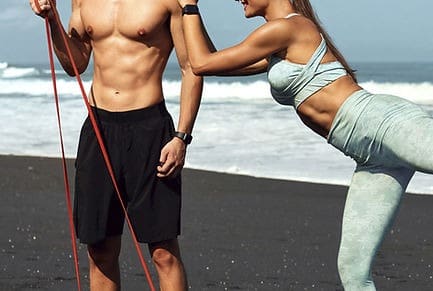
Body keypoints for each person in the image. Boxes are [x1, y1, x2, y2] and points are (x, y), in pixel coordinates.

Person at [176, 0, 433, 290]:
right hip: (370, 158)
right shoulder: (276, 41)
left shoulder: (287, 28)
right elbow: (208, 63)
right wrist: (188, 15)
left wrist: (189, 7)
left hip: (384, 123)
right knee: (353, 270)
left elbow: (200, 62)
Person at [29, 0, 203, 290]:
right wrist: (53, 20)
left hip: (150, 130)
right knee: (99, 250)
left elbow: (191, 68)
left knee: (163, 252)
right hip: (99, 130)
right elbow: (77, 63)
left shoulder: (169, 1)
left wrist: (181, 137)